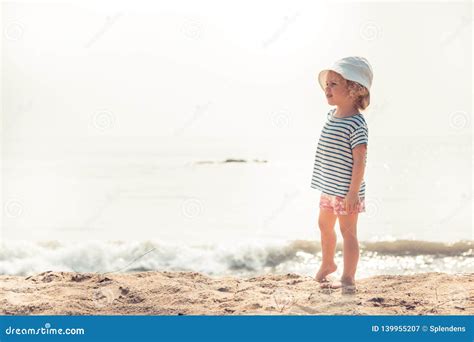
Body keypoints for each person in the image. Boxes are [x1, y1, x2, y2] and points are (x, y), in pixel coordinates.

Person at [310, 56, 373, 293]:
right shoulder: (331, 116)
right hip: (329, 187)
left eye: (334, 84)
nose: (327, 88)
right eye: (327, 83)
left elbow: (360, 160)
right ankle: (328, 263)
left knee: (349, 233)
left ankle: (348, 277)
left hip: (348, 191)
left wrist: (353, 192)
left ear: (354, 90)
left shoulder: (356, 123)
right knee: (323, 224)